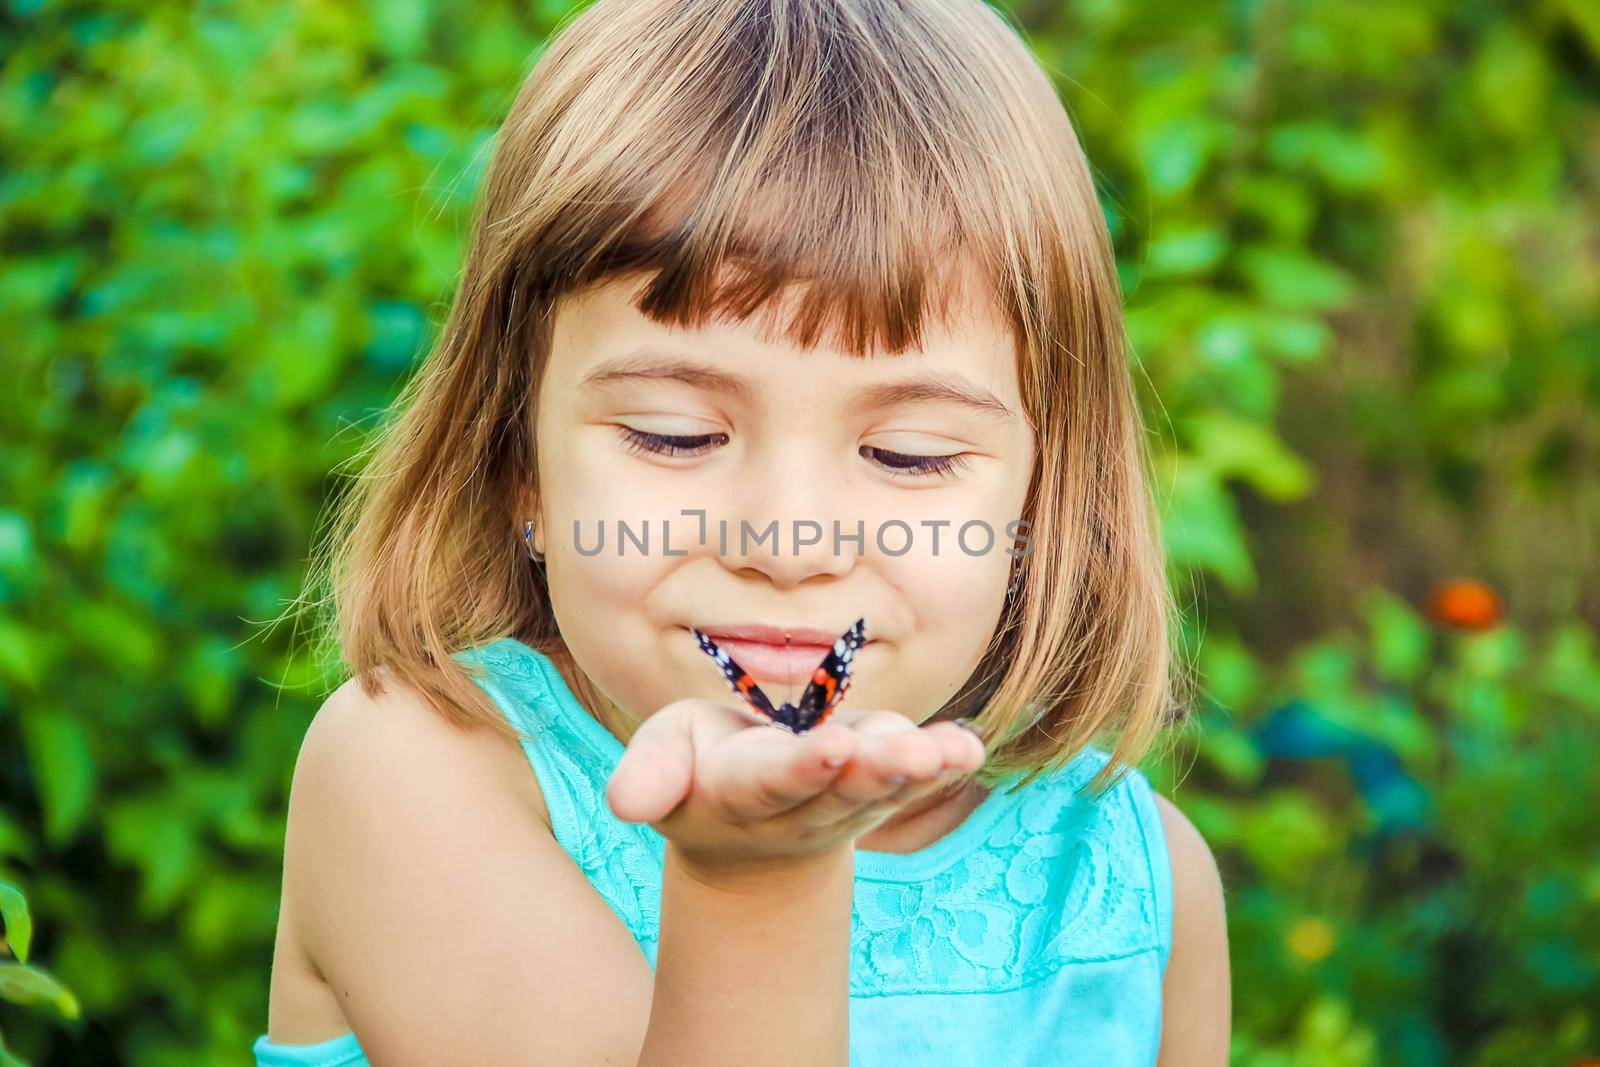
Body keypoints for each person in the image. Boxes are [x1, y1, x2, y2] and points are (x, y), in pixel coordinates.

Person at [252, 0, 1230, 1063]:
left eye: (908, 455)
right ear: (516, 462)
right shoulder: (414, 771)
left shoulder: (1137, 884)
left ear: (1039, 506)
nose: (786, 539)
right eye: (675, 436)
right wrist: (756, 883)